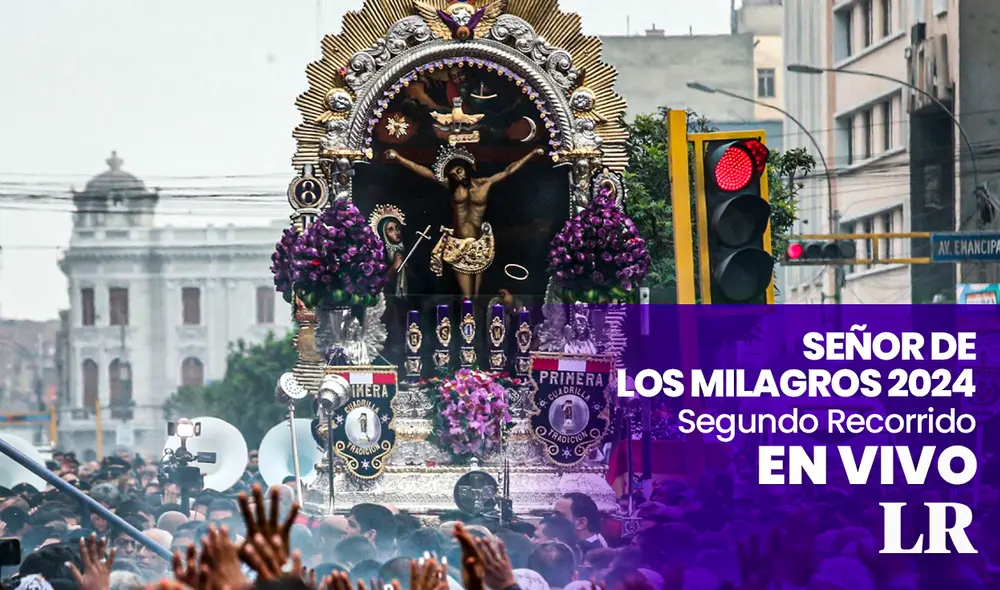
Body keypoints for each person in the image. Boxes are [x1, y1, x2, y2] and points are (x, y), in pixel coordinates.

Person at [385, 146, 546, 299]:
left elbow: (508, 171)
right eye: (453, 173)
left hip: (480, 244)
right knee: (466, 297)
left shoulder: (485, 183)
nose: (458, 175)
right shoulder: (451, 186)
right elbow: (427, 173)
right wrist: (399, 158)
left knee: (477, 296)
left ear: (469, 168)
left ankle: (476, 325)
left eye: (459, 170)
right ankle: (466, 325)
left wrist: (531, 154)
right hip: (459, 245)